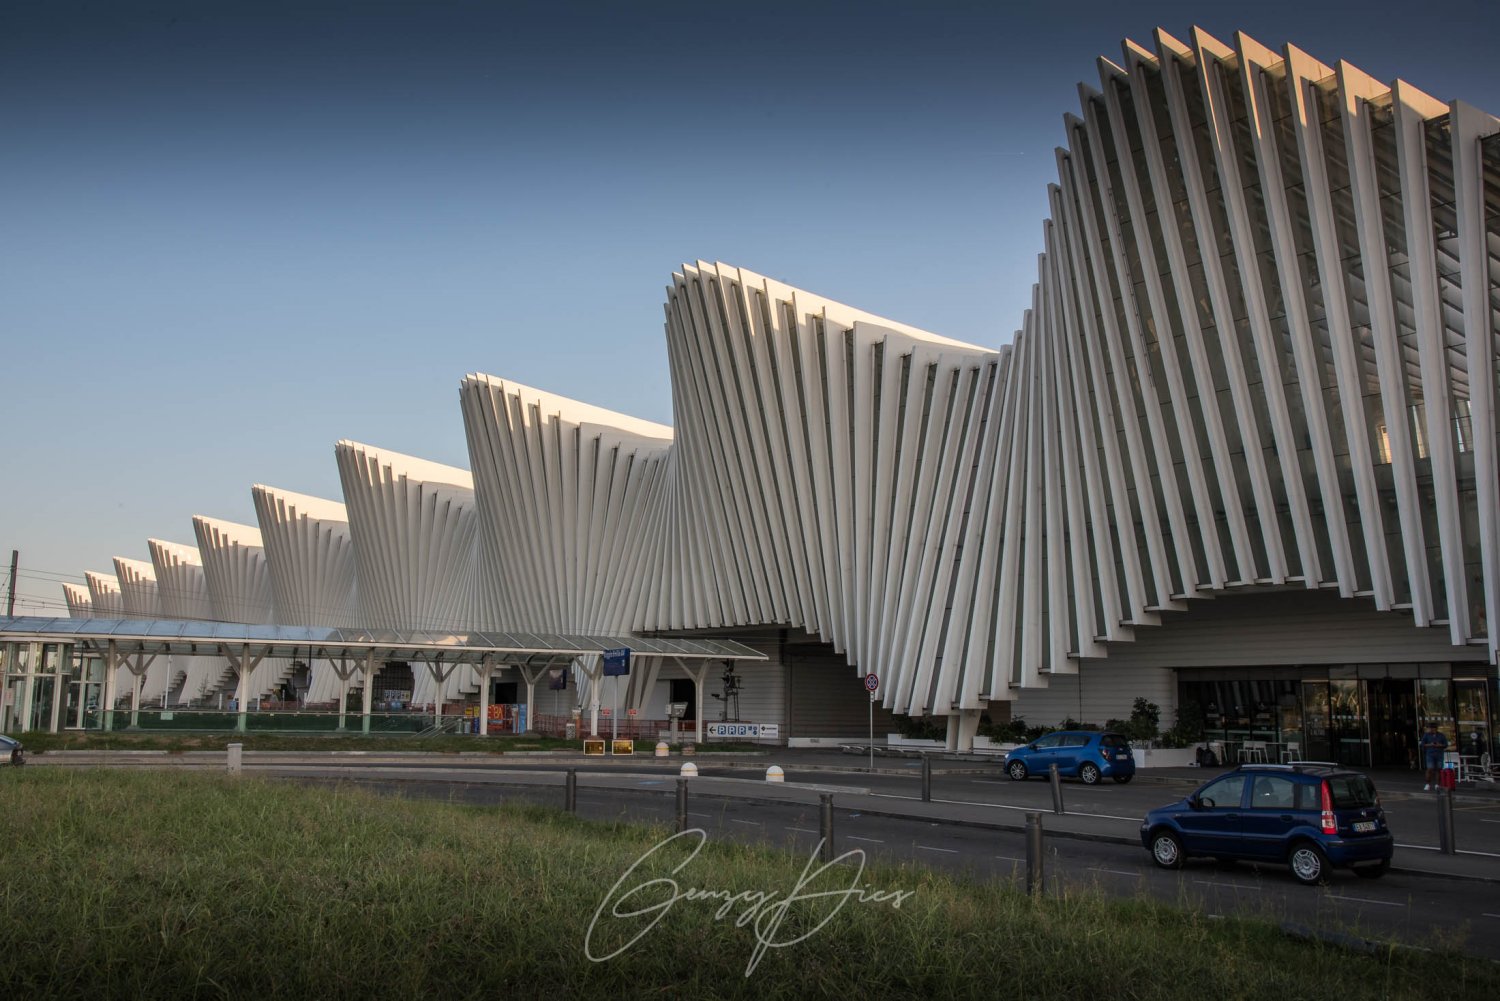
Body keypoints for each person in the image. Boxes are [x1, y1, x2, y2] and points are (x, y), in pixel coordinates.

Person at [1420, 722, 1449, 791]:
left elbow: (1445, 744)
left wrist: (1439, 745)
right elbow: (1422, 744)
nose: (1431, 729)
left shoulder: (1441, 735)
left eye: (1432, 728)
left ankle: (1438, 784)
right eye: (1430, 728)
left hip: (1439, 753)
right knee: (1429, 768)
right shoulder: (1426, 735)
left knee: (1439, 769)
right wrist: (1430, 744)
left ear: (1435, 728)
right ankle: (1427, 784)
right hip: (1430, 753)